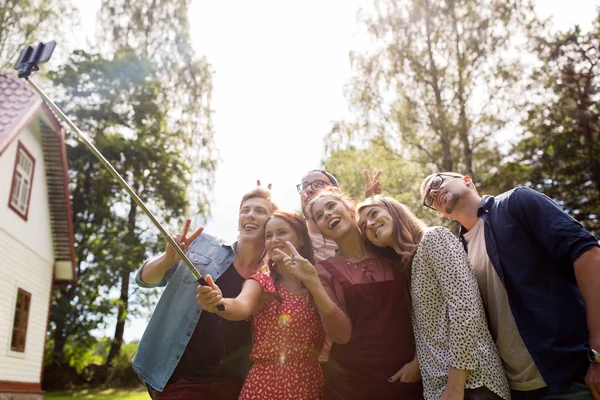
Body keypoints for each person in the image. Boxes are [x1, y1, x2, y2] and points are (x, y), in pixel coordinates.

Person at [420, 173, 600, 400]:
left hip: (571, 377)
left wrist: (598, 354)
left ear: (466, 179)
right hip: (514, 389)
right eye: (429, 198)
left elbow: (588, 255)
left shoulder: (516, 203)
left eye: (437, 182)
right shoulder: (457, 255)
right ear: (441, 213)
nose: (434, 193)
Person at [356, 196, 510, 400]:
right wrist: (418, 363)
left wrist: (456, 384)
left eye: (374, 214)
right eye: (365, 227)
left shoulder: (435, 238)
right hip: (441, 389)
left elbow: (466, 309)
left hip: (474, 383)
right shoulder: (407, 267)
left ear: (394, 211)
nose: (371, 224)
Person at [132, 187, 277, 399]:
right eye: (245, 210)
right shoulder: (204, 246)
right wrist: (167, 260)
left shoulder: (272, 275)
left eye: (260, 211)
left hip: (235, 384)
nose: (250, 214)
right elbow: (144, 279)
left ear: (271, 223)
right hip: (183, 376)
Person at [302, 187, 423, 400]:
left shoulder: (391, 252)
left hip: (408, 381)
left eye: (331, 206)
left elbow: (424, 310)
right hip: (350, 386)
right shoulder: (322, 271)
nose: (327, 214)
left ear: (350, 209)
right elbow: (341, 334)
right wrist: (313, 283)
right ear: (320, 231)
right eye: (320, 216)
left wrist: (418, 361)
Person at [196, 211, 326, 399]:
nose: (274, 240)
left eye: (282, 232)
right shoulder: (261, 281)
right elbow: (241, 306)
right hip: (265, 384)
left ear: (302, 239)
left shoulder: (318, 283)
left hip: (308, 382)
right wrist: (219, 303)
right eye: (269, 235)